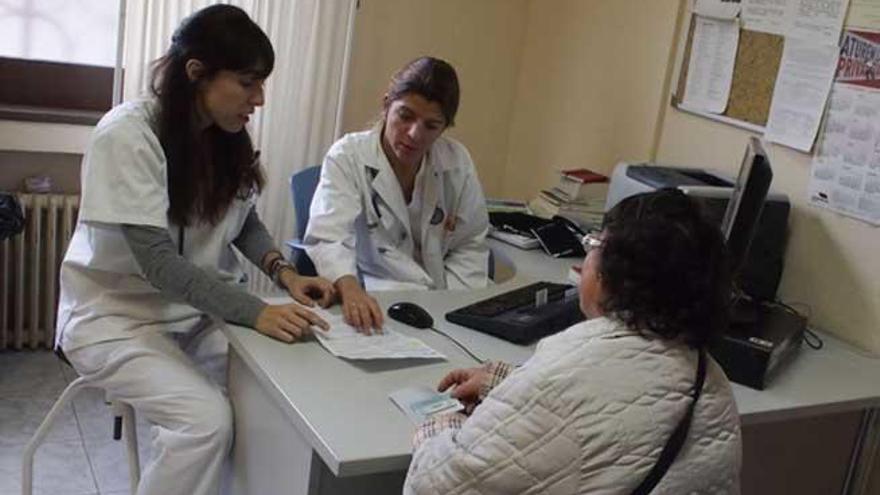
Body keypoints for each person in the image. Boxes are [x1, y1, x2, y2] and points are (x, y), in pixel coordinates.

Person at [54, 6, 335, 495]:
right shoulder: (127, 135)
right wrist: (254, 311)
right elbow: (160, 264)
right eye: (248, 83)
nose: (260, 99)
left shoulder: (223, 138)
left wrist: (286, 275)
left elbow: (244, 221)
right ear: (196, 73)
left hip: (195, 313)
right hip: (115, 320)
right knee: (205, 422)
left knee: (277, 390)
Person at [404, 189, 743, 494]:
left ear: (618, 272)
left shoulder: (558, 384)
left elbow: (432, 484)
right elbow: (612, 410)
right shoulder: (709, 377)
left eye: (594, 246)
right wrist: (507, 383)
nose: (583, 262)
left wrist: (441, 423)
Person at [304, 56, 490, 332]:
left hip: (443, 302)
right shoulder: (348, 157)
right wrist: (349, 287)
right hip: (375, 296)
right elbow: (329, 236)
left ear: (445, 127)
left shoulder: (456, 163)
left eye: (431, 125)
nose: (415, 134)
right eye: (406, 116)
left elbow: (469, 243)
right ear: (387, 104)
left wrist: (456, 305)